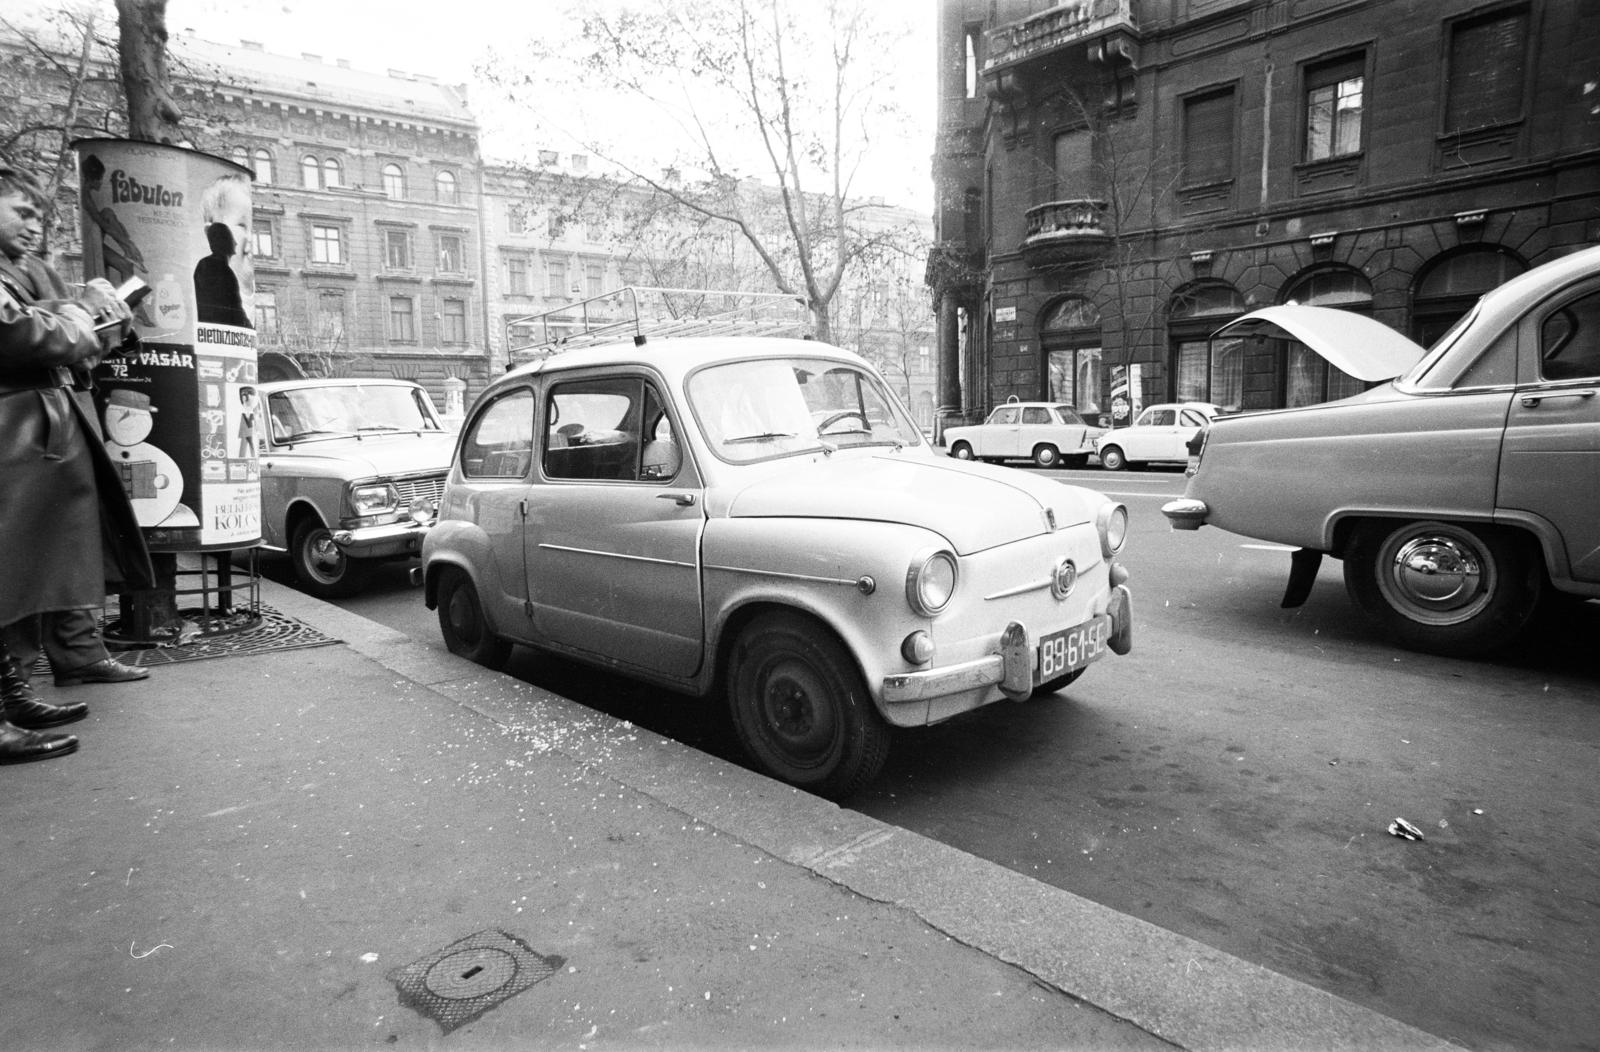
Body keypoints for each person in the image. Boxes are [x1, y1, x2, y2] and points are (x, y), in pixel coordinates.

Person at [0, 167, 155, 763]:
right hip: (17, 434)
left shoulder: (27, 269)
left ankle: (18, 690)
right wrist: (86, 311)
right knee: (15, 568)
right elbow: (20, 334)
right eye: (23, 211)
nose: (34, 225)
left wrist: (95, 322)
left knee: (40, 560)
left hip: (35, 431)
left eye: (40, 215)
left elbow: (52, 336)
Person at [192, 172, 253, 328]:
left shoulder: (212, 266)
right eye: (241, 225)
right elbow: (234, 310)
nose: (249, 241)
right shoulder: (217, 269)